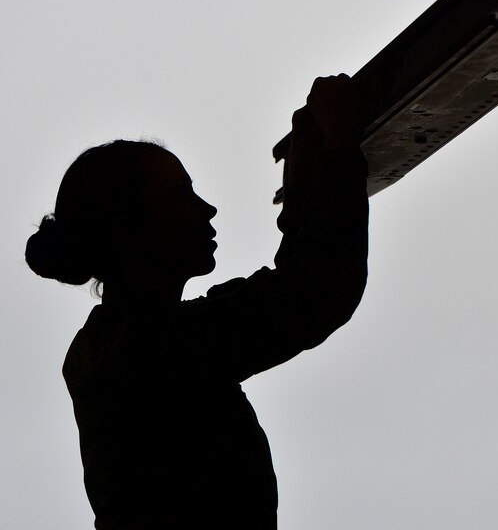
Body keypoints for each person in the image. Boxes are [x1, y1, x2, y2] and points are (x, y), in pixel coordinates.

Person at [24, 75, 369, 529]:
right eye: (181, 196)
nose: (207, 209)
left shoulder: (124, 346)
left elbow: (289, 291)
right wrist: (339, 151)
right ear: (128, 233)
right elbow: (313, 291)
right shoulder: (143, 350)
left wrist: (305, 193)